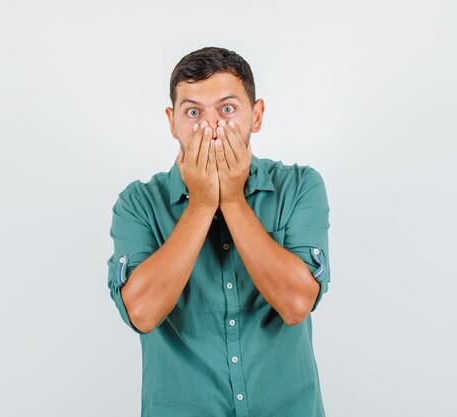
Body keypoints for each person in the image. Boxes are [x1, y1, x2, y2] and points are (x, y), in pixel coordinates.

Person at [106, 46, 331, 417]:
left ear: (256, 116)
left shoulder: (300, 186)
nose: (210, 127)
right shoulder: (138, 203)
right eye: (193, 112)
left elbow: (296, 305)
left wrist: (231, 199)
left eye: (227, 109)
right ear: (172, 122)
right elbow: (142, 314)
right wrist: (200, 204)